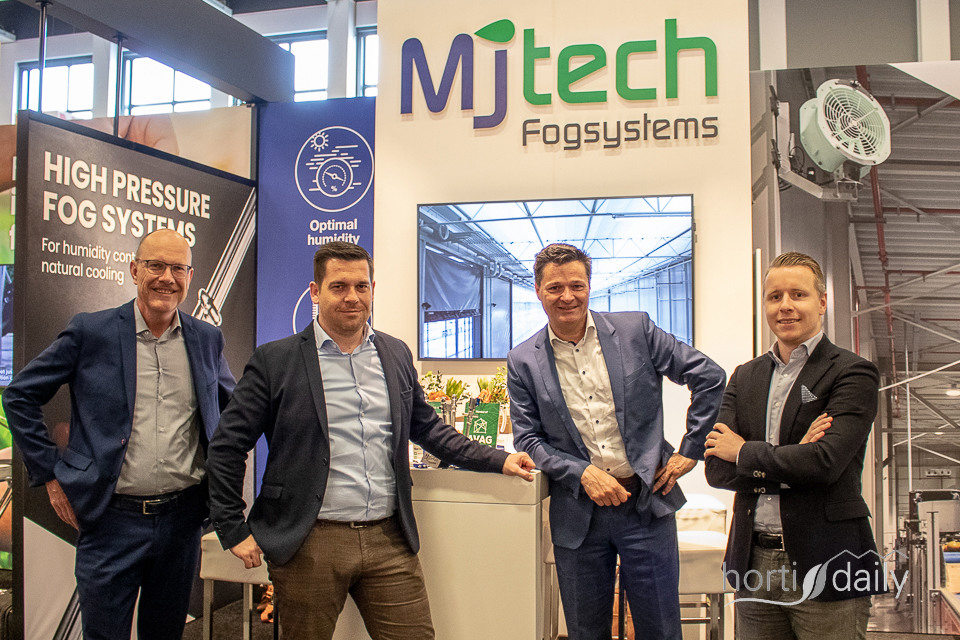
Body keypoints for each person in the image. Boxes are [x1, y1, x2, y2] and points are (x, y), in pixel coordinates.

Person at [206, 241, 536, 640]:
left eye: (361, 286)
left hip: (388, 538)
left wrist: (498, 460)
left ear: (372, 289)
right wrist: (232, 526)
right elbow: (226, 446)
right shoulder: (275, 360)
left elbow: (429, 429)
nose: (352, 297)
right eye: (339, 286)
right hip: (309, 541)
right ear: (315, 292)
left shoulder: (394, 353)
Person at [3, 229, 236, 640]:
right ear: (134, 270)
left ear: (190, 276)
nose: (167, 278)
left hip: (182, 522)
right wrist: (50, 474)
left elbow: (234, 411)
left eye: (177, 268)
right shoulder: (91, 332)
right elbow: (20, 395)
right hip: (110, 521)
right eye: (155, 265)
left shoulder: (206, 338)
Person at [507, 243, 726, 640]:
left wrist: (691, 450)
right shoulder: (522, 360)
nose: (567, 296)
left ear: (590, 286)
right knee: (586, 632)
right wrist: (581, 472)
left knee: (661, 631)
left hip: (646, 506)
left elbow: (709, 376)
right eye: (555, 287)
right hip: (578, 515)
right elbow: (528, 437)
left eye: (577, 285)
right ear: (538, 290)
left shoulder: (635, 330)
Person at [704, 251, 882, 640]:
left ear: (822, 302)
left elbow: (824, 463)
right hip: (753, 562)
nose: (785, 306)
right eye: (774, 296)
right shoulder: (745, 376)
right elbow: (717, 469)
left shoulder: (852, 372)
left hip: (829, 559)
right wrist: (792, 457)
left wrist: (744, 452)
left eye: (798, 295)